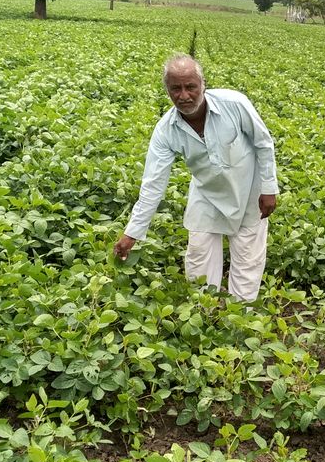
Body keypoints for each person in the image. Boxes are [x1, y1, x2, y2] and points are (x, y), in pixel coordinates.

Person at [113, 54, 279, 302]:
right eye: (175, 88)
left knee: (247, 260)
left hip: (249, 190)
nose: (184, 95)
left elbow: (263, 143)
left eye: (190, 86)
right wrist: (132, 233)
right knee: (199, 259)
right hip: (207, 194)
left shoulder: (234, 103)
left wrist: (268, 188)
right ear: (167, 91)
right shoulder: (166, 130)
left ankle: (240, 322)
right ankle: (205, 315)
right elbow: (153, 185)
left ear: (203, 84)